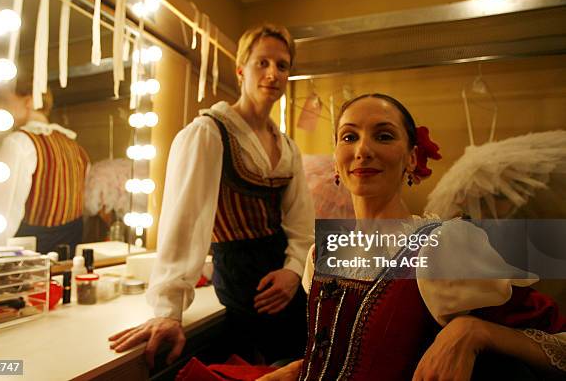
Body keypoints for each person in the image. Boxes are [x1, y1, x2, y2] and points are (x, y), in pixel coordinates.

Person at [259, 94, 565, 381]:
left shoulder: (441, 247)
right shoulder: (320, 254)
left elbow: (559, 345)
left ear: (411, 158)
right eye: (349, 136)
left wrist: (474, 330)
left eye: (384, 136)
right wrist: (301, 369)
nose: (363, 150)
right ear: (337, 158)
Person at [109, 24, 314, 367]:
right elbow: (185, 221)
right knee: (256, 367)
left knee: (297, 363)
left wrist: (294, 271)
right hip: (239, 276)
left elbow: (300, 222)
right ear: (241, 70)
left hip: (287, 280)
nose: (273, 74)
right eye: (262, 63)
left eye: (282, 65)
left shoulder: (288, 146)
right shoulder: (209, 132)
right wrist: (168, 310)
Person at [0, 82, 90, 256]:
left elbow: (0, 209)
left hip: (27, 261)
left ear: (28, 101)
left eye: (5, 101)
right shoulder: (76, 147)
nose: (1, 107)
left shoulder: (19, 142)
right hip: (67, 259)